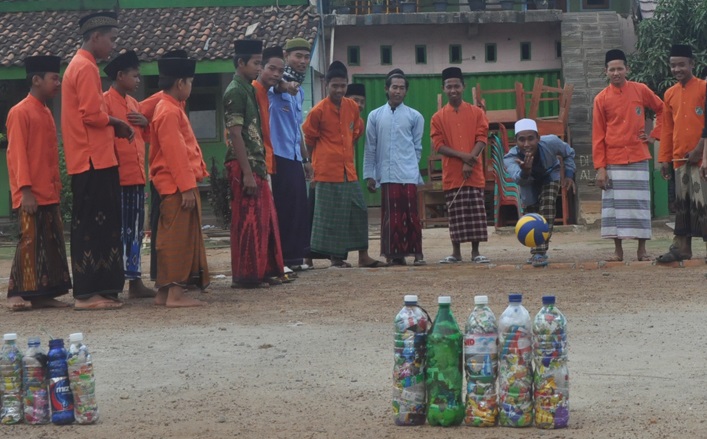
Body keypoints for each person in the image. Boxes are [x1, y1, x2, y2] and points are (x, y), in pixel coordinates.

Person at [62, 12, 134, 310]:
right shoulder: (86, 68)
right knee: (93, 227)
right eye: (112, 39)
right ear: (96, 37)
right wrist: (118, 123)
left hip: (91, 159)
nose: (113, 46)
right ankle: (87, 295)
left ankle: (99, 289)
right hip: (93, 160)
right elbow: (91, 116)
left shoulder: (79, 66)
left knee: (97, 225)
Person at [303, 61, 387, 268]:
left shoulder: (352, 107)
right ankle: (334, 258)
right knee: (328, 216)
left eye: (343, 86)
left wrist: (344, 150)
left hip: (348, 171)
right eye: (335, 86)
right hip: (325, 171)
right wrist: (311, 166)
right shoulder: (318, 111)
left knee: (358, 210)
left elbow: (356, 131)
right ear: (326, 85)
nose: (339, 90)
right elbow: (308, 140)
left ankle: (363, 256)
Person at [5, 55, 72, 311]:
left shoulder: (45, 111)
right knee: (29, 242)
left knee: (51, 244)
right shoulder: (20, 111)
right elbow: (17, 154)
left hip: (50, 190)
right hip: (31, 193)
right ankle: (14, 294)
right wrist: (25, 191)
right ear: (36, 80)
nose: (58, 82)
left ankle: (43, 293)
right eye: (54, 78)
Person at [224, 39, 287, 287]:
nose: (259, 69)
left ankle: (262, 270)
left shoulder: (248, 88)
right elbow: (235, 133)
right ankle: (246, 276)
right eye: (256, 63)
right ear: (241, 63)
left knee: (263, 221)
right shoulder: (234, 91)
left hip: (256, 163)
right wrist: (247, 173)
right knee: (248, 222)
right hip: (244, 165)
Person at [149, 55, 210, 307]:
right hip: (176, 186)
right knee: (178, 240)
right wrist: (186, 187)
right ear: (181, 82)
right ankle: (175, 294)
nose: (191, 87)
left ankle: (164, 293)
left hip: (174, 185)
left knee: (169, 237)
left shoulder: (171, 107)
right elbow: (176, 154)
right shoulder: (168, 111)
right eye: (191, 82)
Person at [592, 49, 663, 262]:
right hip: (612, 159)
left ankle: (642, 250)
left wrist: (654, 135)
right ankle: (618, 251)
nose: (616, 73)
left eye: (619, 68)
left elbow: (662, 109)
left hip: (638, 156)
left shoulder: (640, 90)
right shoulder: (600, 99)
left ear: (627, 69)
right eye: (612, 69)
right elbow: (597, 134)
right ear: (606, 72)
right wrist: (601, 167)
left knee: (640, 204)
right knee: (614, 208)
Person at [103, 50, 156, 298]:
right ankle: (113, 283)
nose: (137, 81)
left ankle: (134, 282)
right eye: (134, 76)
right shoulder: (103, 102)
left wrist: (146, 123)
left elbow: (144, 138)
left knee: (135, 231)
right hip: (116, 178)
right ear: (120, 75)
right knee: (116, 231)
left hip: (136, 177)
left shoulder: (135, 104)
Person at [363, 69, 425, 266]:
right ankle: (394, 254)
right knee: (392, 215)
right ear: (386, 89)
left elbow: (417, 146)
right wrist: (370, 175)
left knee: (411, 214)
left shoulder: (415, 116)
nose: (397, 91)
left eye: (401, 88)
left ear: (406, 91)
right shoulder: (375, 116)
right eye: (394, 87)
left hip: (408, 173)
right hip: (387, 174)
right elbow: (370, 147)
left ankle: (417, 253)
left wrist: (412, 169)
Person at [431, 67, 490, 265]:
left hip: (473, 173)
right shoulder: (437, 117)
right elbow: (439, 145)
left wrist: (470, 160)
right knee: (455, 214)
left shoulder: (477, 112)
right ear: (443, 88)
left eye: (457, 85)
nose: (453, 90)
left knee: (475, 212)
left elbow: (482, 138)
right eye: (449, 86)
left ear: (463, 87)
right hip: (453, 174)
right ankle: (456, 252)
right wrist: (465, 157)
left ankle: (476, 251)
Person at [139, 49, 188, 282]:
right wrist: (147, 128)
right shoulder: (163, 101)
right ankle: (166, 280)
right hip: (166, 175)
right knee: (166, 230)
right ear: (180, 80)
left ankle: (171, 280)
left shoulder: (177, 101)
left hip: (174, 172)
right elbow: (136, 113)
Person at [657, 44, 707, 263]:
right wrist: (664, 158)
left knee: (704, 203)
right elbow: (667, 129)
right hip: (679, 158)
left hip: (703, 158)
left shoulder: (704, 88)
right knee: (682, 205)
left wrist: (700, 150)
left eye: (681, 65)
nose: (677, 69)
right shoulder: (669, 94)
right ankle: (682, 249)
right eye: (673, 65)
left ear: (692, 65)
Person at [269, 38, 315, 271]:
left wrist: (306, 159)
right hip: (277, 156)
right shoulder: (276, 84)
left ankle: (295, 258)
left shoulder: (300, 90)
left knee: (298, 208)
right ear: (286, 55)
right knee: (282, 207)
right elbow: (276, 86)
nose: (303, 62)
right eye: (298, 56)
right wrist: (284, 85)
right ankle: (281, 259)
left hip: (295, 156)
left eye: (306, 57)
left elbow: (298, 128)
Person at [504, 118, 576, 267]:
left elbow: (568, 153)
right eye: (521, 140)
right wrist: (525, 171)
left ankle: (539, 253)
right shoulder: (511, 158)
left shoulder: (551, 142)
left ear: (538, 138)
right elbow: (519, 180)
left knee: (547, 208)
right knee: (531, 214)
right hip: (527, 181)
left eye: (531, 138)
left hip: (550, 175)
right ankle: (536, 248)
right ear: (515, 142)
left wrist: (569, 174)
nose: (526, 144)